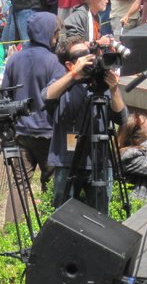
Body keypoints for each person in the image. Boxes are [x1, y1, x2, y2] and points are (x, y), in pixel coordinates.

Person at [42, 36, 128, 214]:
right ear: (69, 64)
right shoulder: (63, 84)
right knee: (64, 215)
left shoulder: (101, 83)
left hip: (99, 161)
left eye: (89, 53)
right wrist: (74, 75)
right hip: (68, 161)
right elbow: (46, 96)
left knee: (100, 217)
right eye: (81, 56)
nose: (88, 58)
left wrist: (113, 89)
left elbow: (121, 118)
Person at [1, 12, 65, 222]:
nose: (57, 36)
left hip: (21, 132)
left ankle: (11, 232)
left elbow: (5, 95)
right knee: (53, 181)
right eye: (56, 32)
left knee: (20, 185)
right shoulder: (54, 62)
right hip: (48, 134)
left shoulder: (14, 59)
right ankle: (49, 226)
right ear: (49, 34)